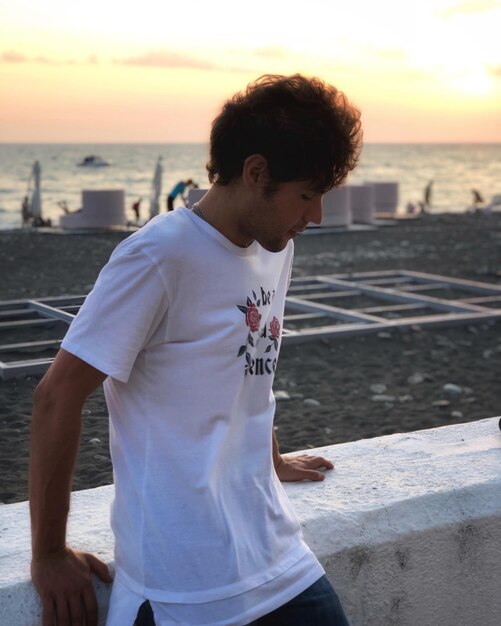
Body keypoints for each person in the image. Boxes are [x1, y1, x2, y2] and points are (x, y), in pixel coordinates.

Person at [29, 73, 362, 626]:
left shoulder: (273, 246)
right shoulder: (157, 256)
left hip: (278, 557)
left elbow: (242, 363)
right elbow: (56, 396)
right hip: (182, 587)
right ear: (256, 173)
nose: (318, 215)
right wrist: (47, 555)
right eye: (307, 194)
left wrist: (269, 456)